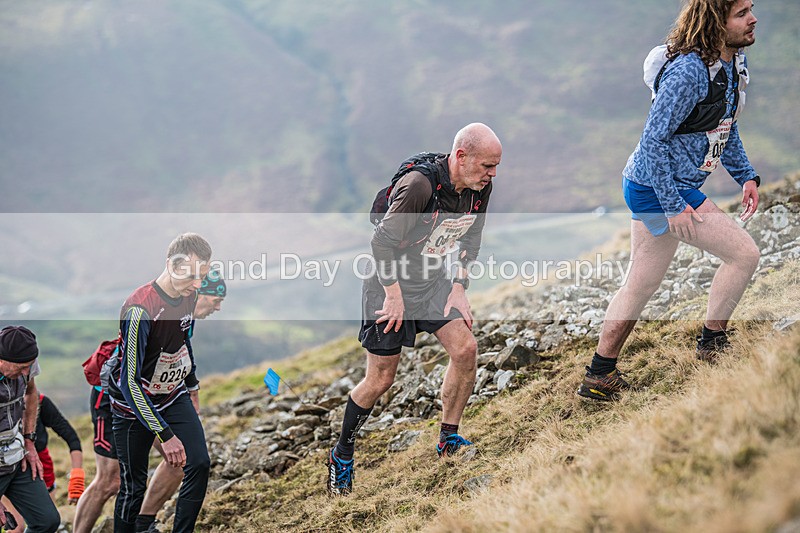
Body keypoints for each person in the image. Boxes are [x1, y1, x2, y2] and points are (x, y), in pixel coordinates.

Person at [576, 0, 761, 401]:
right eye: (741, 13)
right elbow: (653, 139)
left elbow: (723, 125)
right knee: (744, 254)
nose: (753, 18)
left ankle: (599, 374)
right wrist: (674, 202)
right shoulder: (690, 72)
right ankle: (712, 346)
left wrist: (745, 174)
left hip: (653, 183)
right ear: (716, 22)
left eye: (751, 8)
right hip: (660, 187)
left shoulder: (731, 64)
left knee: (641, 284)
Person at [327, 123, 502, 495]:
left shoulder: (478, 189)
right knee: (380, 380)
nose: (492, 174)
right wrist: (392, 295)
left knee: (465, 349)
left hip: (432, 283)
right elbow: (381, 244)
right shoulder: (419, 187)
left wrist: (459, 286)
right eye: (487, 165)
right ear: (460, 156)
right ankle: (341, 454)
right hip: (387, 288)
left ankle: (448, 438)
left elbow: (472, 236)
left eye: (495, 166)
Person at [74, 271, 226, 533]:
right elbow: (130, 378)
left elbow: (182, 348)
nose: (218, 307)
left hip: (155, 397)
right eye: (216, 299)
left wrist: (192, 388)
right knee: (111, 481)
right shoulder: (153, 309)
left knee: (181, 459)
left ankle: (143, 523)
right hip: (115, 396)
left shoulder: (185, 315)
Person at [107, 233, 212, 533]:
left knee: (199, 463)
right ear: (171, 265)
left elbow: (183, 340)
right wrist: (166, 435)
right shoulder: (139, 309)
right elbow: (129, 383)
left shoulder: (189, 295)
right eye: (192, 276)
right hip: (132, 406)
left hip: (172, 394)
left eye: (202, 277)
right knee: (133, 488)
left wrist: (192, 386)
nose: (197, 285)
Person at [0, 326, 60, 533]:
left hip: (16, 458)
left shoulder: (26, 366)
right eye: (22, 367)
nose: (27, 372)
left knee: (47, 521)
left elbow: (31, 393)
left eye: (30, 365)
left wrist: (29, 440)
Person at [2, 392, 84, 533]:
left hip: (42, 469)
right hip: (11, 467)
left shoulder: (41, 402)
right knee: (17, 528)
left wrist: (77, 477)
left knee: (47, 523)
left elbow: (72, 438)